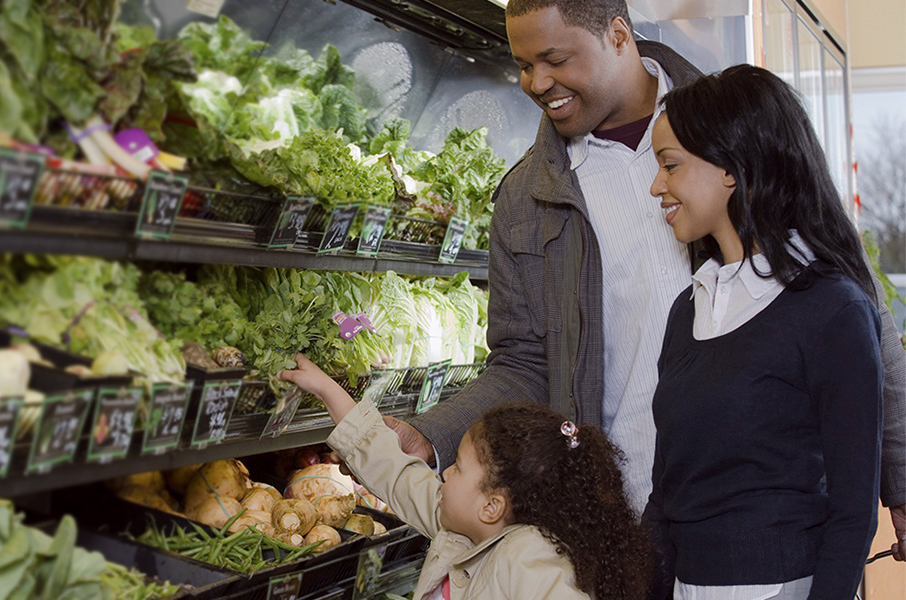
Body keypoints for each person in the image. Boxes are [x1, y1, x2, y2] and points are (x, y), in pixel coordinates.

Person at [377, 0, 906, 560]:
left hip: (766, 517)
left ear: (618, 33)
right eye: (524, 65)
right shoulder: (524, 197)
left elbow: (861, 314)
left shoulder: (737, 130)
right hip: (620, 526)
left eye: (555, 59)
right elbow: (524, 364)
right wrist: (432, 435)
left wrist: (901, 478)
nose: (536, 82)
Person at [644, 64, 881, 599]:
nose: (656, 185)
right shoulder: (689, 308)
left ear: (731, 167)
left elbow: (853, 513)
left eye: (670, 165)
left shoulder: (831, 310)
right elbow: (665, 495)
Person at [278, 353, 652, 600]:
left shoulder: (529, 557)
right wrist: (328, 390)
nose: (445, 474)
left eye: (456, 466)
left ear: (492, 506)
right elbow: (397, 472)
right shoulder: (461, 525)